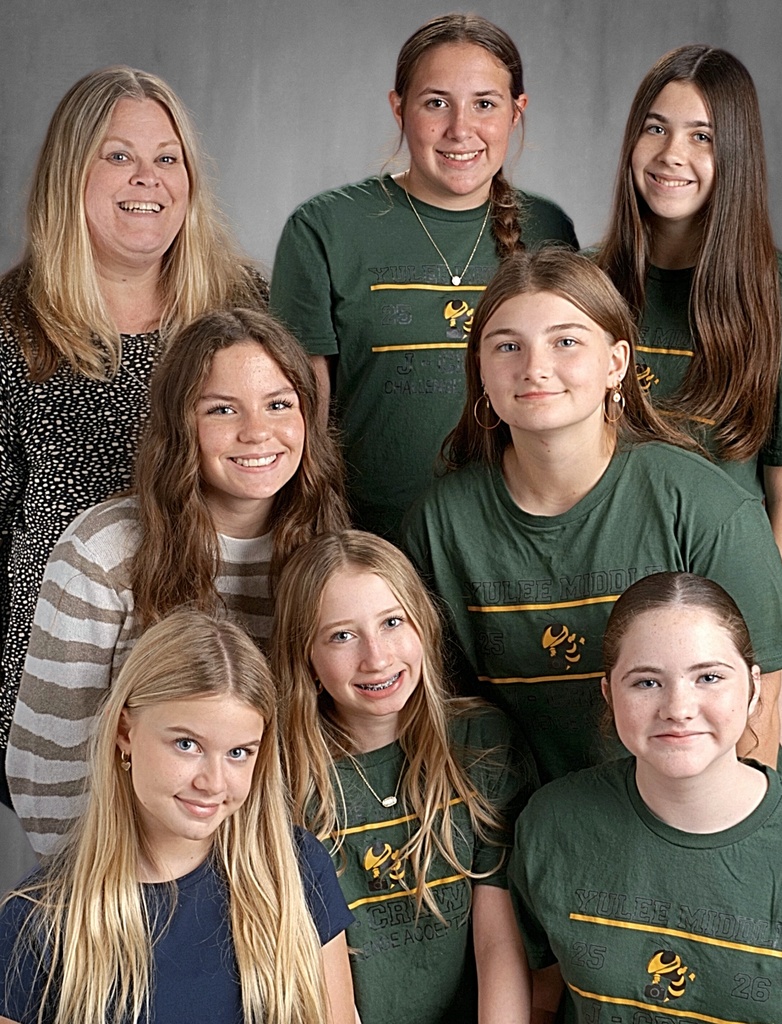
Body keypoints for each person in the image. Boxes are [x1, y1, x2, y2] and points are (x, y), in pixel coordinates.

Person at [401, 248, 782, 784]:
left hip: (692, 822)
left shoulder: (706, 507)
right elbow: (440, 716)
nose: (535, 368)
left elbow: (760, 712)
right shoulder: (438, 525)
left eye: (566, 342)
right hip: (523, 834)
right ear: (481, 372)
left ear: (616, 363)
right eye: (508, 346)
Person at [0, 66, 268, 807]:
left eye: (166, 157)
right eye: (117, 155)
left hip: (223, 670)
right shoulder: (12, 328)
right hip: (68, 687)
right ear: (69, 173)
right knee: (97, 908)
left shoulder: (246, 305)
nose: (146, 178)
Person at [7, 307, 348, 857]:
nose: (257, 432)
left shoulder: (328, 552)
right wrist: (118, 886)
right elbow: (45, 767)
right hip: (124, 867)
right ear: (179, 423)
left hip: (275, 864)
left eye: (280, 404)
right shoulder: (103, 551)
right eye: (221, 410)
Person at [270, 13, 577, 543]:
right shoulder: (325, 228)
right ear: (399, 109)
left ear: (516, 112)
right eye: (436, 103)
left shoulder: (550, 229)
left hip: (516, 542)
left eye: (485, 103)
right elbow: (301, 418)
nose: (461, 129)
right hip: (370, 543)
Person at [0, 609, 356, 1024]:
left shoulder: (296, 871)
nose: (213, 782)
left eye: (239, 752)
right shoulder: (38, 920)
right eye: (187, 744)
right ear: (125, 733)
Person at [508, 572, 782, 1024]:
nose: (678, 707)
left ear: (754, 689)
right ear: (608, 693)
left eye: (709, 677)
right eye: (647, 682)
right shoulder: (552, 823)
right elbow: (540, 995)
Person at [594, 45, 782, 633]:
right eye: (656, 128)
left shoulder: (780, 290)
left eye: (703, 137)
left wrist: (773, 668)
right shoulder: (586, 283)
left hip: (722, 617)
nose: (673, 155)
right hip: (599, 600)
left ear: (736, 154)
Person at [271, 530, 535, 1024]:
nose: (377, 657)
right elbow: (315, 972)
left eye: (392, 622)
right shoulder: (286, 776)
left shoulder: (481, 743)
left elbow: (498, 942)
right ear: (305, 657)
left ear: (424, 626)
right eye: (341, 636)